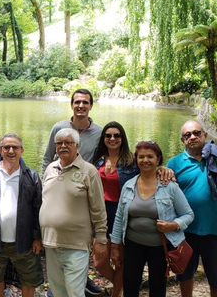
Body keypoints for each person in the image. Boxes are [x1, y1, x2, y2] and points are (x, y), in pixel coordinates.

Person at [111, 141, 194, 297]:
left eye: (150, 156)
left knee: (157, 287)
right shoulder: (129, 185)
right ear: (136, 160)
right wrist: (115, 247)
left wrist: (173, 225)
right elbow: (119, 217)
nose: (145, 160)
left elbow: (188, 214)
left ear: (158, 159)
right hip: (132, 245)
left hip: (159, 247)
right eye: (141, 157)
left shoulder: (169, 186)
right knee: (130, 284)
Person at [42, 89, 103, 296]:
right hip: (51, 240)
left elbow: (98, 208)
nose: (63, 146)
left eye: (85, 102)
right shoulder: (51, 167)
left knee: (74, 291)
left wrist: (100, 238)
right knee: (58, 290)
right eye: (60, 143)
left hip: (77, 238)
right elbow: (46, 158)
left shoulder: (99, 136)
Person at [0, 132, 44, 297]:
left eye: (15, 147)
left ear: (22, 150)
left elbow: (37, 209)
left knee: (29, 278)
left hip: (24, 240)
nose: (11, 150)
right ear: (0, 149)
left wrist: (37, 237)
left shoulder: (31, 176)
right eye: (6, 147)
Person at [167, 120, 217, 297]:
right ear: (182, 140)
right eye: (188, 135)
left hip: (214, 228)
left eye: (196, 133)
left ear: (205, 135)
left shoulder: (215, 158)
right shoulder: (174, 164)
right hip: (186, 230)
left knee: (215, 276)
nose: (193, 137)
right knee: (185, 273)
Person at [91, 121, 139, 296]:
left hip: (122, 213)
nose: (112, 139)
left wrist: (164, 171)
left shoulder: (132, 161)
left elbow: (149, 173)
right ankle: (126, 285)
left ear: (122, 138)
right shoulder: (97, 161)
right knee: (99, 262)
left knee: (119, 261)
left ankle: (116, 294)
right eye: (108, 135)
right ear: (103, 138)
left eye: (116, 135)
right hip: (100, 214)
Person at [42, 88, 102, 173]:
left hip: (83, 180)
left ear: (91, 106)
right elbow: (48, 158)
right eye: (77, 102)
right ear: (71, 105)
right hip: (60, 177)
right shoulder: (59, 128)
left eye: (85, 102)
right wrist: (45, 181)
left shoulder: (99, 133)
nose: (81, 106)